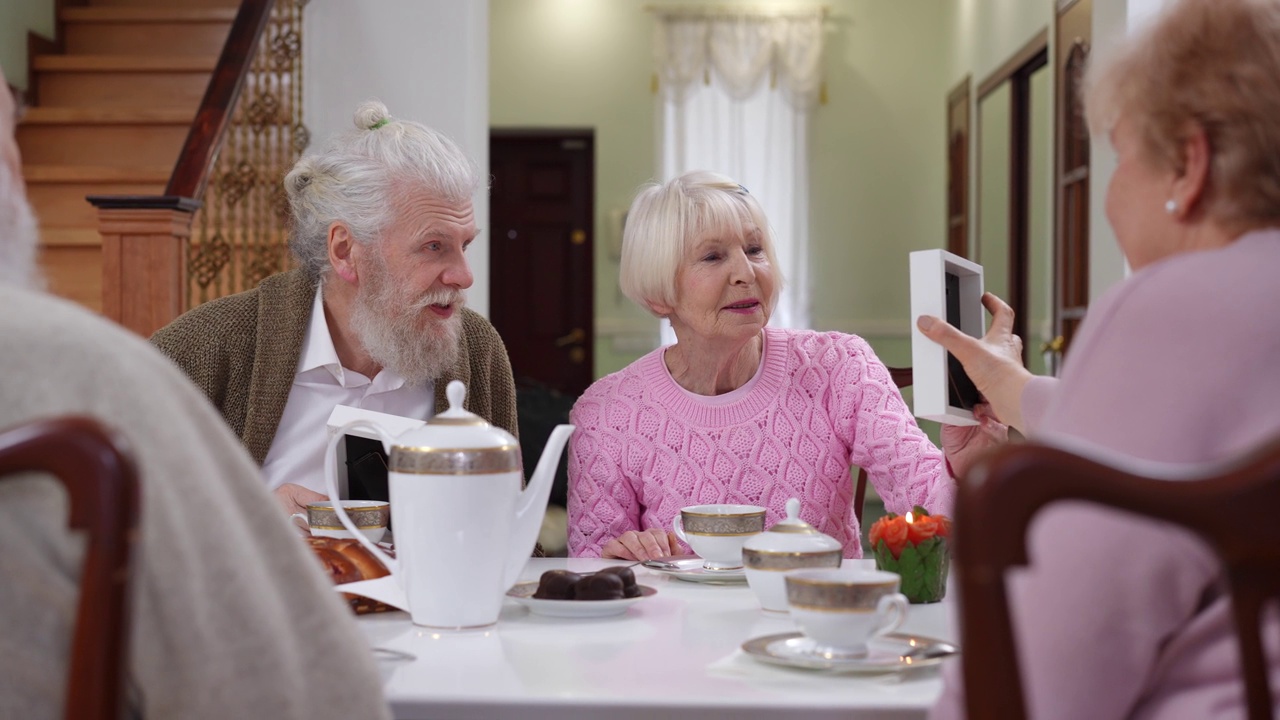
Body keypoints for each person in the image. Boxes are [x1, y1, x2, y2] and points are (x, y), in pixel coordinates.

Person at [922, 0, 1280, 716]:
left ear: (1189, 163)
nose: (1110, 196)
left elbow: (1040, 677)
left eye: (1119, 158)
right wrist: (1014, 388)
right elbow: (1195, 439)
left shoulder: (1176, 307)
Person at [0, 73, 389, 720]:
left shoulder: (474, 349)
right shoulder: (94, 378)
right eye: (11, 132)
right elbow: (301, 694)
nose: (461, 277)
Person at [567, 171, 1005, 560]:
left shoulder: (839, 366)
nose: (746, 272)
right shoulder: (607, 412)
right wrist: (621, 554)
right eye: (713, 257)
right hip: (678, 639)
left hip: (821, 630)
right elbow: (591, 567)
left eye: (755, 249)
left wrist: (966, 470)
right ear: (659, 293)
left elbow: (932, 520)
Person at [152, 101, 518, 515]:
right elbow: (121, 525)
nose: (463, 276)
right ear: (345, 251)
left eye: (464, 245)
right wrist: (253, 520)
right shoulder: (202, 348)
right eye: (434, 246)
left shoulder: (474, 346)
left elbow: (510, 531)